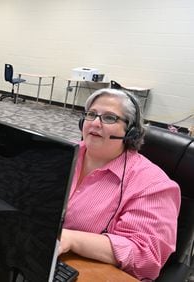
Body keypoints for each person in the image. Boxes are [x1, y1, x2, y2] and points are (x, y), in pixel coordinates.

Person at [59, 88, 180, 281]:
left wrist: (71, 239)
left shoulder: (154, 184)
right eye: (91, 114)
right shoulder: (60, 153)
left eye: (109, 118)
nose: (95, 123)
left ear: (131, 132)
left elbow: (145, 255)